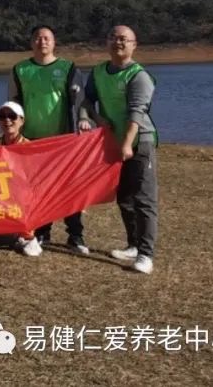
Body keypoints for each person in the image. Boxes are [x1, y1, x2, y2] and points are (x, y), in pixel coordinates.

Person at [80, 25, 159, 275]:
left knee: (143, 199)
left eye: (124, 39)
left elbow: (137, 112)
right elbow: (87, 99)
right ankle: (133, 244)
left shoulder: (139, 76)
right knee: (124, 198)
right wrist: (91, 117)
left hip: (139, 143)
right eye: (113, 37)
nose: (118, 43)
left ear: (134, 45)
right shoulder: (99, 72)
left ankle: (146, 255)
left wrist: (127, 144)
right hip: (113, 142)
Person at [9, 25, 87, 254]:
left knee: (69, 189)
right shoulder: (20, 69)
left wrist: (83, 122)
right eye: (37, 38)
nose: (42, 42)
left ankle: (76, 236)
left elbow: (80, 101)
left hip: (62, 142)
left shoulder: (68, 68)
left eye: (47, 38)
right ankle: (42, 233)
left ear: (54, 43)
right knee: (38, 191)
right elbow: (13, 103)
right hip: (32, 141)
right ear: (31, 42)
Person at [0, 102, 42, 257]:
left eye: (12, 116)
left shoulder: (30, 147)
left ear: (22, 120)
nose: (7, 120)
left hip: (22, 199)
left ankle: (26, 236)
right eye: (2, 116)